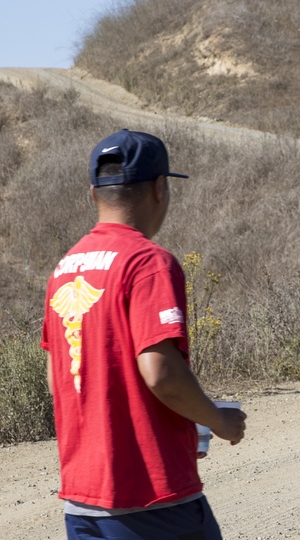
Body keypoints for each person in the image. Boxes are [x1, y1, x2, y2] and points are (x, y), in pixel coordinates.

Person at [41, 129, 246, 540]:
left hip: (83, 502)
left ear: (93, 194)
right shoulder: (148, 263)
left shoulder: (65, 269)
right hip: (152, 498)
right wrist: (217, 420)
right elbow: (160, 372)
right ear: (159, 188)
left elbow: (55, 377)